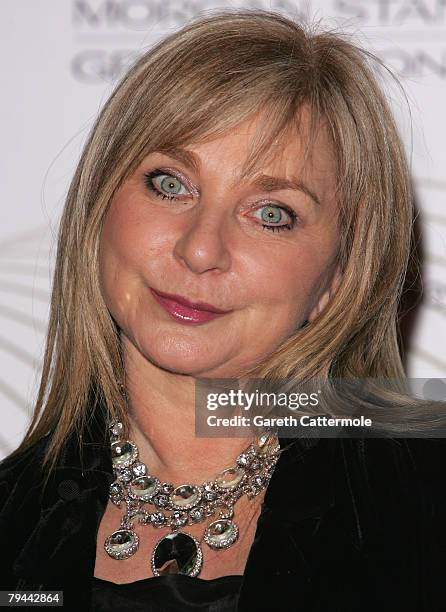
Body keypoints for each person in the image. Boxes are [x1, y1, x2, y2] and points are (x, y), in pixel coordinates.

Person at [1, 8, 445, 611]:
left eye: (271, 214)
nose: (201, 248)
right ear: (100, 206)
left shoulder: (425, 496)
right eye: (170, 183)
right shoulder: (14, 519)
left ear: (339, 276)